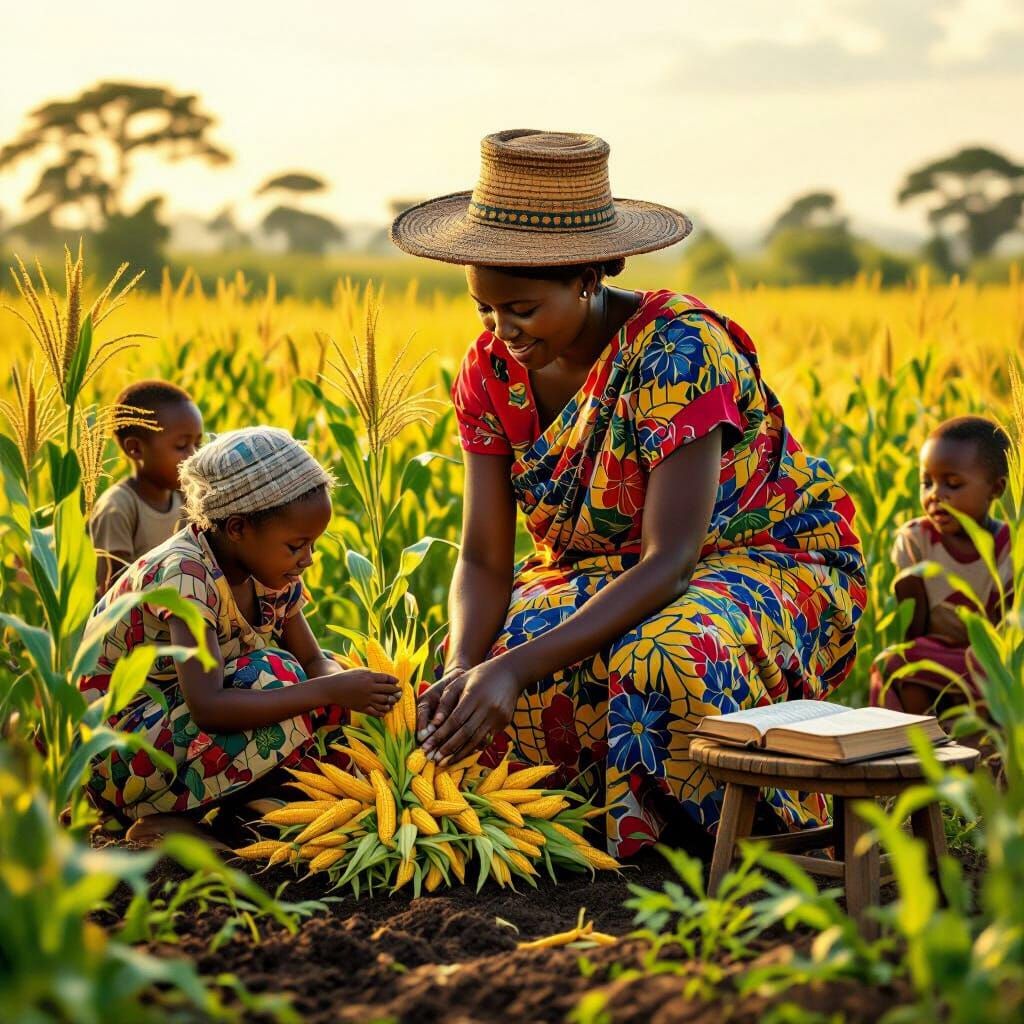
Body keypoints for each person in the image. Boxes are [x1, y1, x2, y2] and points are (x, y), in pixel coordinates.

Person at [390, 129, 867, 856]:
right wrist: (467, 668)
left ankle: (727, 852)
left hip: (762, 560)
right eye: (484, 309)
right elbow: (485, 559)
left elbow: (671, 561)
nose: (501, 331)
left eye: (520, 308)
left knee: (662, 657)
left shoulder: (676, 350)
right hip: (603, 570)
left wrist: (512, 670)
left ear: (588, 275)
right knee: (484, 662)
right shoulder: (489, 370)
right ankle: (565, 837)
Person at [78, 426, 399, 842]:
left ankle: (236, 819)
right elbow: (208, 707)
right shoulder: (185, 575)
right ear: (236, 528)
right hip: (117, 759)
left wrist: (348, 695)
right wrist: (330, 692)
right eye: (297, 546)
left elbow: (313, 661)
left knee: (324, 689)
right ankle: (165, 821)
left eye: (313, 545)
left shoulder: (270, 575)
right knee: (274, 674)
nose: (309, 559)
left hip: (175, 738)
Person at [871, 415, 1013, 716]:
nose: (935, 494)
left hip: (987, 662)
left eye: (952, 484)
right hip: (933, 653)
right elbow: (912, 632)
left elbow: (1007, 638)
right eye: (927, 483)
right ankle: (908, 743)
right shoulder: (916, 541)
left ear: (996, 489)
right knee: (892, 664)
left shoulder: (1011, 549)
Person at [90, 379, 204, 597]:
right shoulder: (118, 507)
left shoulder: (185, 499)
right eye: (181, 446)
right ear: (135, 449)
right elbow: (119, 589)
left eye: (197, 445)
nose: (193, 456)